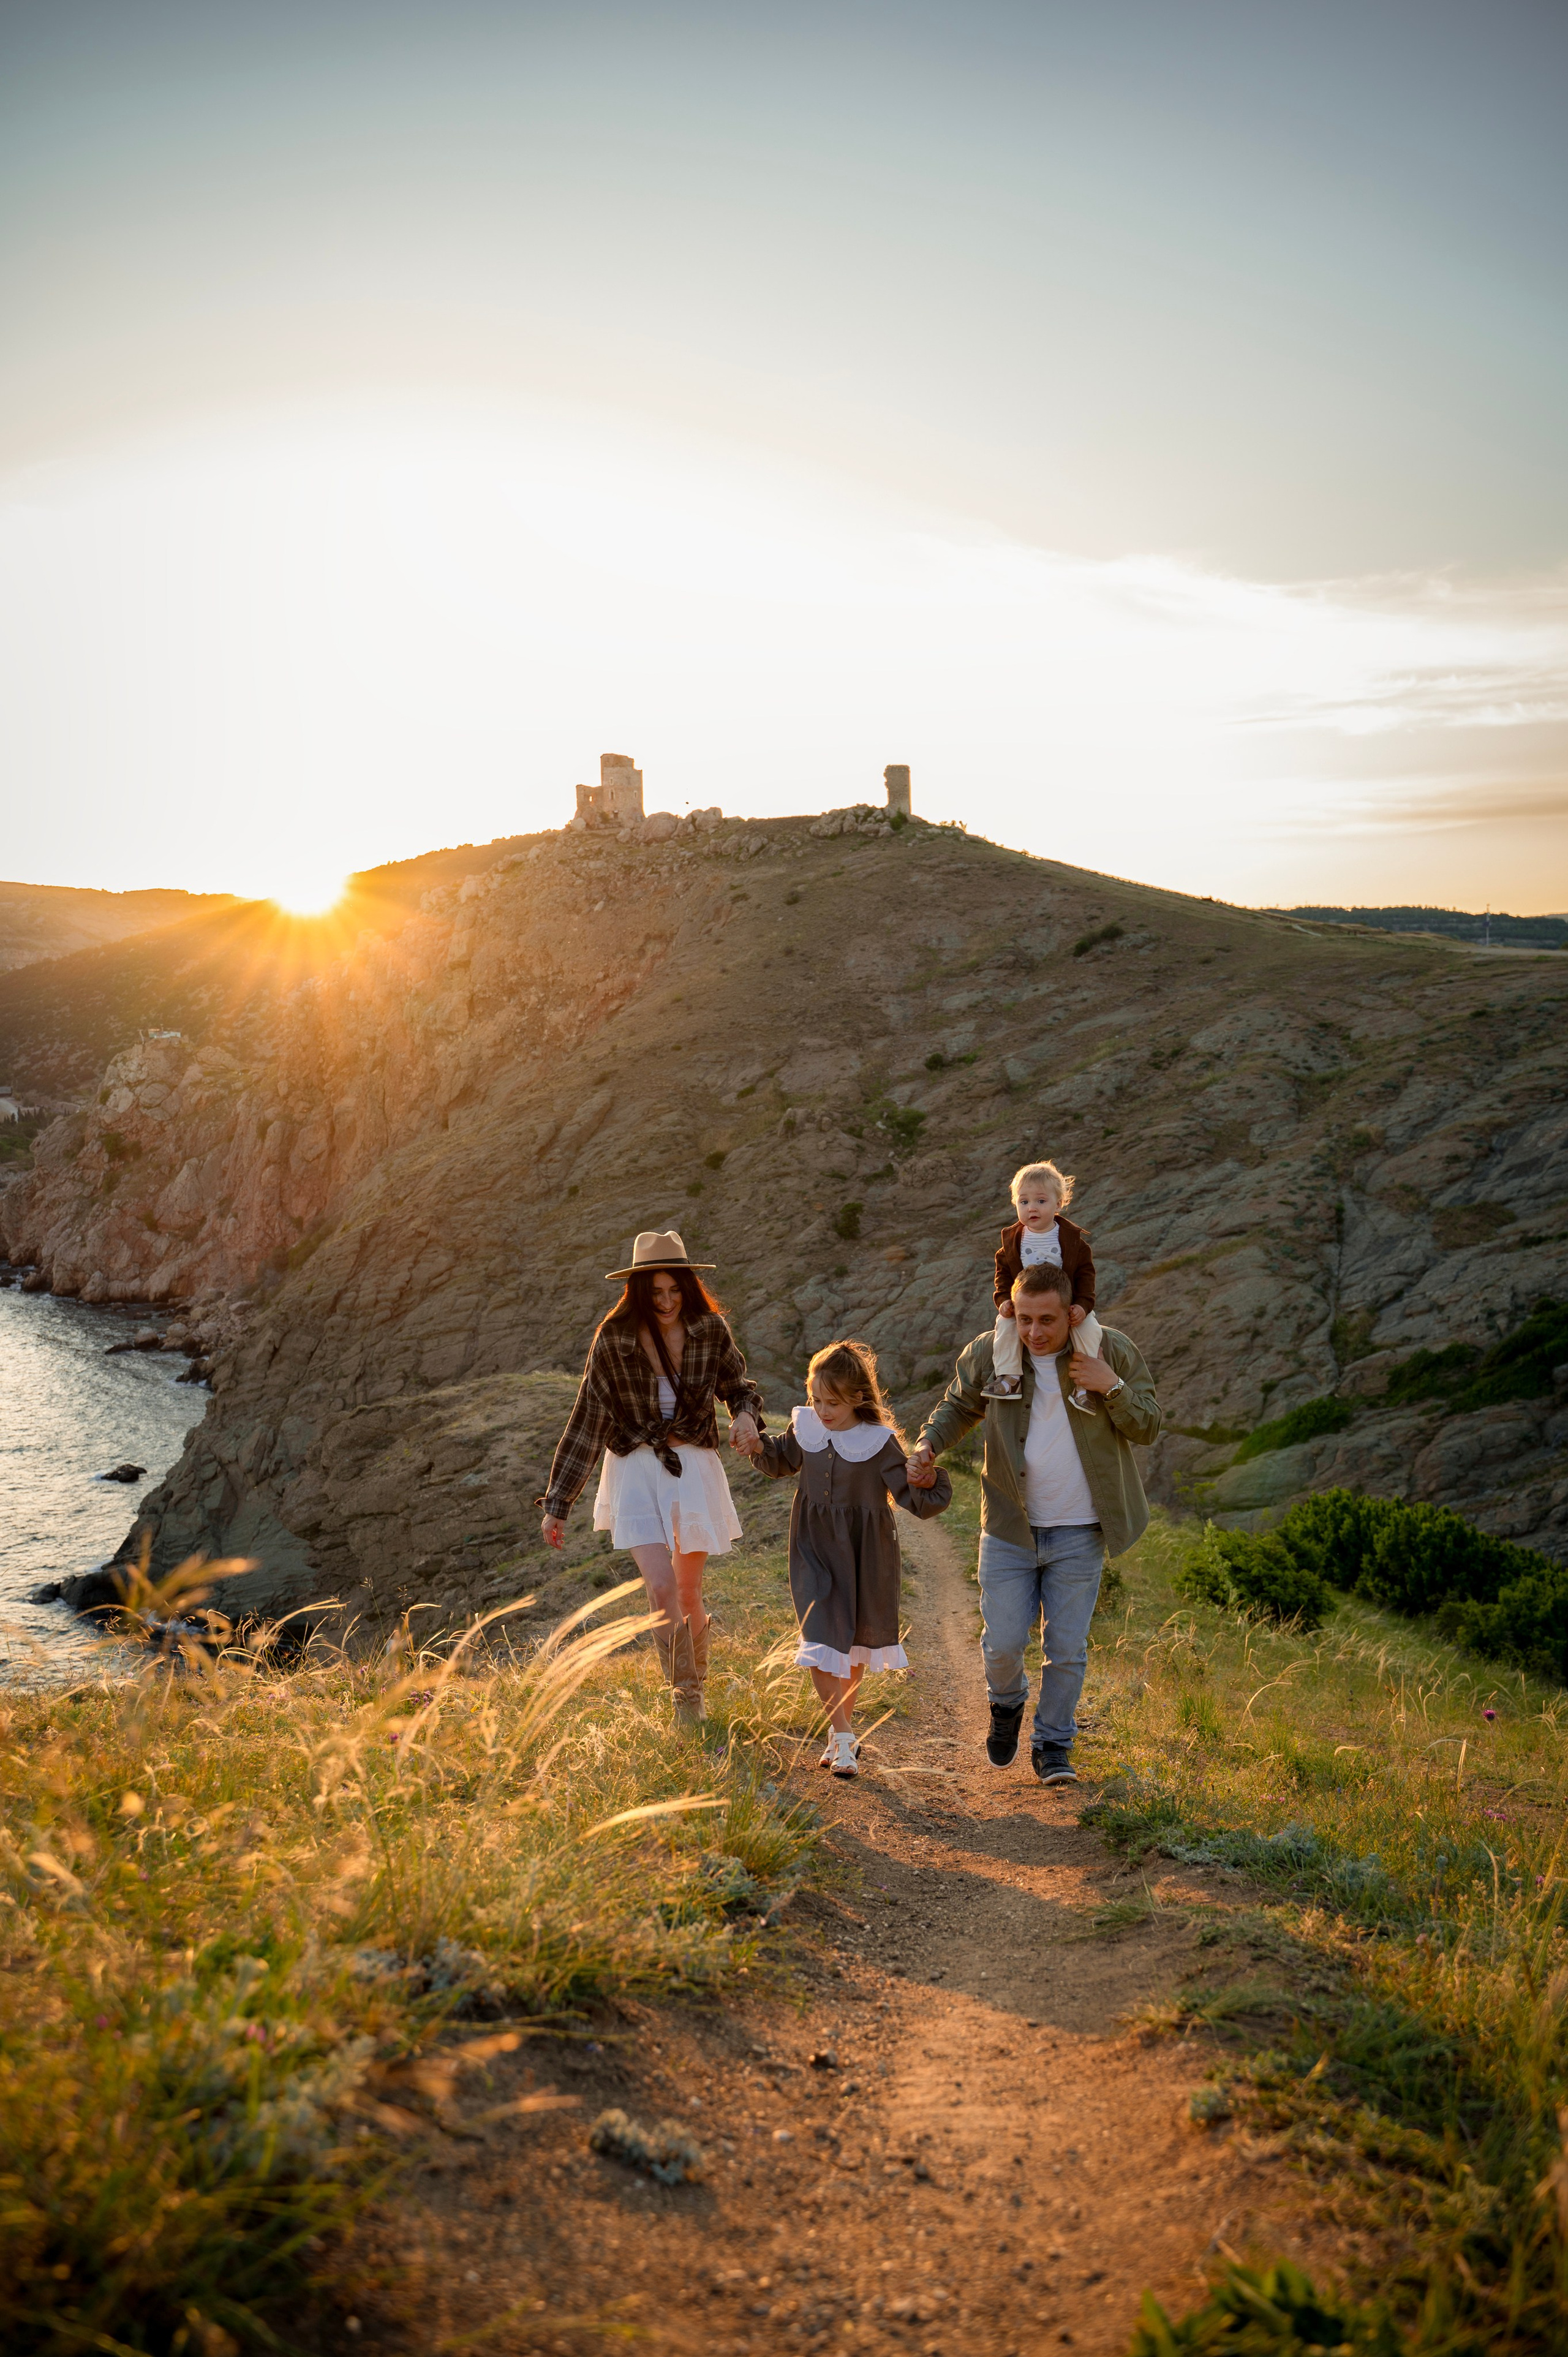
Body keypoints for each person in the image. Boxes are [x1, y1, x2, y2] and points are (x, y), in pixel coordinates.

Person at [907, 1264, 1160, 1787]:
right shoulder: (992, 1352)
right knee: (1001, 1644)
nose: (1035, 1332)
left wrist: (1111, 1387)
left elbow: (1149, 1425)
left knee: (1066, 1649)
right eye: (1024, 1319)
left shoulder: (1108, 1351)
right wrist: (928, 1444)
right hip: (1008, 1528)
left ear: (1071, 1314)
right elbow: (957, 1406)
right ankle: (1006, 1705)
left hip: (1080, 1532)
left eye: (1047, 1320)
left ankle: (1054, 1745)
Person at [537, 1230, 763, 1725]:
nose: (666, 1301)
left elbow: (738, 1388)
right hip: (634, 1468)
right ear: (639, 1290)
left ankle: (696, 1688)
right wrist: (559, 1501)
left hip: (692, 1467)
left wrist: (745, 1417)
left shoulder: (710, 1330)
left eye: (675, 1290)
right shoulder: (614, 1339)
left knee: (688, 1590)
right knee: (660, 1588)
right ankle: (687, 1701)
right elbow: (588, 1418)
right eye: (655, 1292)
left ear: (687, 1286)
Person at [737, 1340, 952, 1779]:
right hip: (813, 1548)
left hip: (865, 1554)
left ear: (858, 1397)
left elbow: (913, 1496)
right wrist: (756, 1445)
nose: (822, 1411)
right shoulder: (806, 1428)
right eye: (816, 1400)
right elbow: (781, 1459)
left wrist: (928, 1477)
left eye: (832, 1402)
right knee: (819, 1643)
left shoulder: (879, 1443)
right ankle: (841, 1735)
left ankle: (843, 1738)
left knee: (852, 1646)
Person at [984, 1159, 1102, 1406]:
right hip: (1025, 1306)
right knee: (1004, 1327)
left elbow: (1086, 1276)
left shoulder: (1071, 1240)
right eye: (1024, 1201)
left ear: (1058, 1204)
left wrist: (1082, 1306)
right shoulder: (1013, 1240)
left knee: (1090, 1331)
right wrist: (1004, 1300)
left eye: (1041, 1201)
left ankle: (1084, 1386)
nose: (1032, 1208)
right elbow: (1003, 1275)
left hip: (1064, 1306)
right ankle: (1009, 1377)